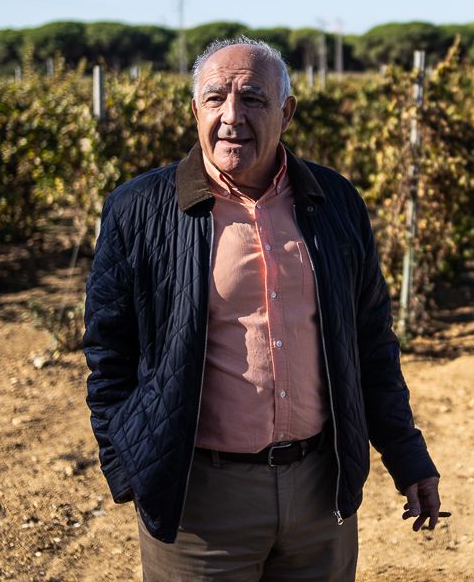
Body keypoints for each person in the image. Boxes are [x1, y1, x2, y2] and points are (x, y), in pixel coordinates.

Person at [83, 37, 441, 581]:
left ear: (287, 112)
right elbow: (108, 352)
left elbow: (371, 341)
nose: (232, 117)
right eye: (215, 99)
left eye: (253, 98)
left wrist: (406, 453)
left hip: (321, 496)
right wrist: (130, 465)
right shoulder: (139, 210)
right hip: (199, 503)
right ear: (194, 111)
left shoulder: (335, 202)